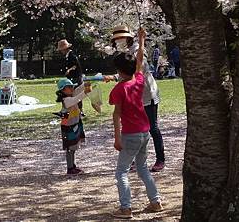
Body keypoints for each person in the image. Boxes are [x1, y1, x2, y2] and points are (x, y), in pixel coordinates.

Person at [109, 27, 163, 218]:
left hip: (130, 134)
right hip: (144, 132)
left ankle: (125, 207)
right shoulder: (139, 81)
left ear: (119, 71)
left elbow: (116, 115)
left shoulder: (118, 89)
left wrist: (117, 139)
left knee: (121, 172)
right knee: (142, 168)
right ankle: (155, 201)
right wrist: (141, 41)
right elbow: (139, 60)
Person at [105, 26, 166, 172]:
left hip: (146, 93)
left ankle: (160, 159)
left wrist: (142, 39)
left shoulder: (137, 48)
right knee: (133, 126)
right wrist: (114, 77)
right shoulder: (124, 52)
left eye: (121, 37)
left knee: (152, 127)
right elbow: (127, 72)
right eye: (117, 38)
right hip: (133, 95)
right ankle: (134, 159)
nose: (119, 40)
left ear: (128, 37)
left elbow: (139, 67)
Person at [55, 77, 91, 175]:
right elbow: (77, 98)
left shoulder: (70, 95)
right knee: (70, 149)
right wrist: (86, 92)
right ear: (62, 90)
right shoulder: (67, 100)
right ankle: (70, 168)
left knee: (73, 147)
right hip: (68, 127)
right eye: (69, 87)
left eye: (72, 87)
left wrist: (85, 84)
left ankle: (72, 166)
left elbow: (77, 90)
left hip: (74, 125)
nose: (71, 89)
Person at [57, 38, 84, 112]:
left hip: (76, 78)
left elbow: (75, 65)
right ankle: (71, 109)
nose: (61, 51)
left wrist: (69, 69)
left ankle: (79, 110)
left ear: (64, 49)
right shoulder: (68, 56)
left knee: (76, 94)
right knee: (71, 94)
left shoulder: (72, 56)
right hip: (73, 78)